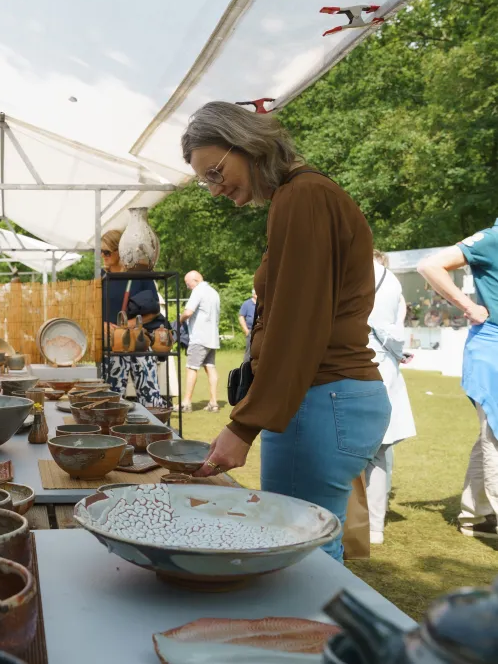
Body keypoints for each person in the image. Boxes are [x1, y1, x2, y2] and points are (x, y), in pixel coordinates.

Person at [183, 101, 390, 562]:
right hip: (328, 399)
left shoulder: (304, 196)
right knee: (312, 543)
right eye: (205, 181)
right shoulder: (302, 196)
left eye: (214, 172)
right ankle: (321, 635)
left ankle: (312, 636)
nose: (214, 190)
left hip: (320, 398)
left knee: (296, 550)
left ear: (246, 143)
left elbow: (297, 325)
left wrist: (244, 425)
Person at [418, 220, 497, 539]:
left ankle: (474, 515)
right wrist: (468, 306)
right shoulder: (492, 238)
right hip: (491, 347)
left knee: (489, 435)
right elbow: (429, 265)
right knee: (495, 435)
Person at [365, 250, 416, 545]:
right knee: (379, 450)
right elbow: (396, 332)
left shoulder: (344, 272)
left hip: (356, 365)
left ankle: (357, 520)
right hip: (384, 365)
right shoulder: (392, 281)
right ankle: (374, 525)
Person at [100, 229, 167, 408]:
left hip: (140, 342)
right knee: (110, 400)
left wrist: (128, 324)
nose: (102, 256)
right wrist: (102, 324)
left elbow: (153, 310)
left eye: (106, 252)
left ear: (119, 251)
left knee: (150, 397)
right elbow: (93, 311)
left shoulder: (139, 276)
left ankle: (156, 432)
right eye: (100, 252)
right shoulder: (101, 278)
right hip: (113, 346)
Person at [179, 271, 221, 412]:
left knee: (191, 367)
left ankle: (186, 403)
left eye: (187, 283)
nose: (187, 286)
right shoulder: (213, 292)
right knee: (210, 367)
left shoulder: (198, 291)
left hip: (199, 337)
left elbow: (188, 312)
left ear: (195, 280)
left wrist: (180, 320)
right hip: (212, 337)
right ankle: (214, 403)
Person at [238, 289, 257, 362]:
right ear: (254, 295)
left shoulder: (263, 303)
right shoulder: (247, 304)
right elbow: (241, 317)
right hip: (250, 330)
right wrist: (246, 330)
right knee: (248, 351)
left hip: (260, 329)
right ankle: (246, 368)